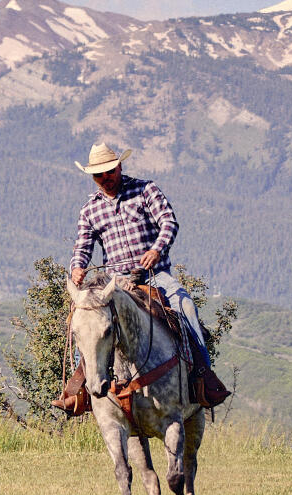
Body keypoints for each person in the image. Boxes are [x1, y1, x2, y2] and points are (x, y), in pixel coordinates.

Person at [67, 140, 215, 386]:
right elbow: (82, 246)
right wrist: (77, 267)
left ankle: (202, 377)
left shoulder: (145, 190)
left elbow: (168, 222)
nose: (105, 178)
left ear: (119, 167)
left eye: (109, 172)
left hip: (154, 274)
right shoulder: (89, 209)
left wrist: (156, 250)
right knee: (85, 320)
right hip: (115, 283)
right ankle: (80, 386)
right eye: (98, 175)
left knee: (185, 306)